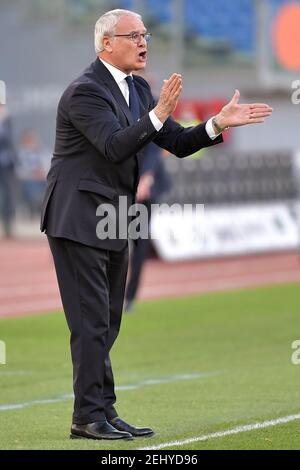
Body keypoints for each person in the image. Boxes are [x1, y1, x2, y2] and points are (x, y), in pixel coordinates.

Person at [40, 9, 272, 441]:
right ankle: (86, 416)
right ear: (107, 43)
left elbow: (178, 143)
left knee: (108, 320)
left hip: (116, 216)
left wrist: (216, 123)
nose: (144, 41)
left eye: (146, 34)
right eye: (135, 35)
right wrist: (159, 113)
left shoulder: (139, 89)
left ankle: (102, 411)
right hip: (78, 216)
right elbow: (112, 146)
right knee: (90, 322)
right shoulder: (84, 92)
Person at [125, 141, 171, 312]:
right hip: (122, 185)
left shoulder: (148, 114)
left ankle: (130, 296)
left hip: (145, 188)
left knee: (138, 240)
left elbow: (154, 147)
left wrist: (145, 178)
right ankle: (118, 294)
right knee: (116, 237)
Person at [0, 104, 16, 238]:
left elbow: (8, 138)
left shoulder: (6, 118)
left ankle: (8, 226)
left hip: (6, 163)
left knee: (8, 196)